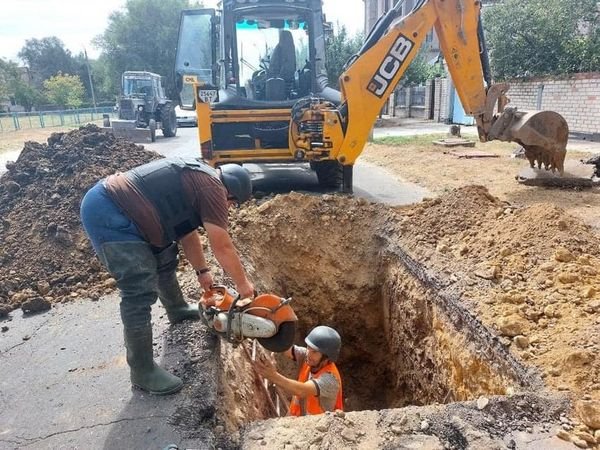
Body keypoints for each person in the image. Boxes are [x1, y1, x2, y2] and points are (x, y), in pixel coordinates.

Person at [80, 157, 255, 395]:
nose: (230, 209)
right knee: (138, 288)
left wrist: (202, 271)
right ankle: (142, 370)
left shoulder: (202, 179)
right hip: (108, 211)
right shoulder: (214, 188)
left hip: (131, 210)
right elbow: (222, 245)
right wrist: (244, 286)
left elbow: (187, 231)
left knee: (164, 256)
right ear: (230, 194)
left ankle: (177, 309)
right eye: (233, 204)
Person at [254, 325, 343, 416]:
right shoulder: (308, 357)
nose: (308, 353)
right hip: (297, 421)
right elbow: (285, 348)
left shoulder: (330, 380)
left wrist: (273, 376)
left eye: (314, 352)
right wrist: (263, 332)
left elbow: (302, 390)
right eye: (308, 347)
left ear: (326, 357)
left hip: (317, 428)